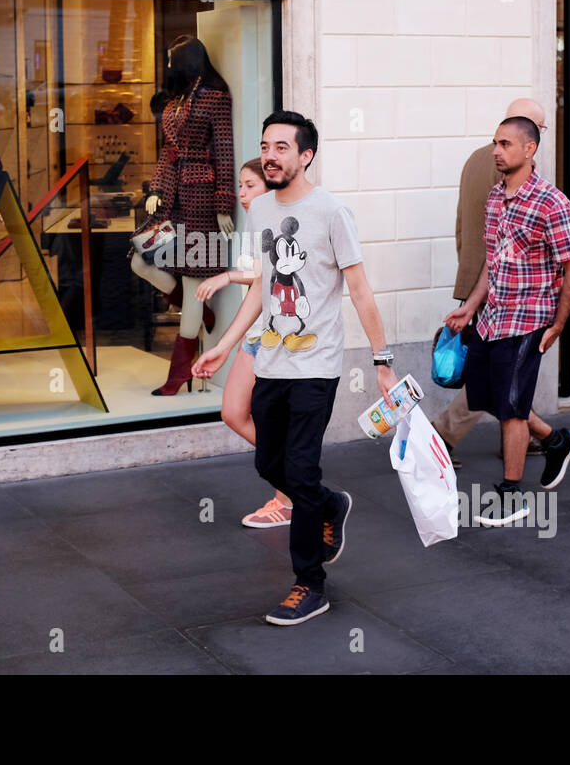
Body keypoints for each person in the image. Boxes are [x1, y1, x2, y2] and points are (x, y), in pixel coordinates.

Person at [192, 111, 397, 625]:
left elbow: (359, 288)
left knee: (300, 470)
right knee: (269, 464)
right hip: (272, 361)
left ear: (305, 156)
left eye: (283, 147)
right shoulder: (261, 209)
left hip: (316, 365)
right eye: (266, 145)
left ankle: (310, 584)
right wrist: (226, 345)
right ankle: (329, 505)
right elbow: (262, 286)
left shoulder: (332, 213)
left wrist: (381, 359)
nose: (271, 155)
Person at [445, 116, 570, 524]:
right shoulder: (494, 197)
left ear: (529, 149)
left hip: (530, 318)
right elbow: (495, 259)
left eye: (505, 144)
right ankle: (557, 441)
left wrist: (558, 323)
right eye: (495, 143)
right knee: (488, 396)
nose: (496, 151)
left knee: (510, 409)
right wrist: (471, 307)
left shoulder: (552, 203)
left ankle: (512, 496)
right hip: (492, 317)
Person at [434, 98, 552, 466]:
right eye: (540, 130)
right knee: (492, 371)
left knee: (507, 366)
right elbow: (511, 235)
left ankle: (519, 436)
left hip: (475, 272)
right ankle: (442, 435)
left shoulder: (474, 158)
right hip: (501, 282)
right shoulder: (516, 167)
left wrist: (466, 273)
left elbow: (460, 221)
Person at [132, 36, 236, 396]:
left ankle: (180, 373)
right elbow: (168, 152)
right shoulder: (177, 99)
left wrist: (224, 203)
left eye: (172, 59)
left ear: (187, 61)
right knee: (141, 262)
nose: (168, 66)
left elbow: (224, 150)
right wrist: (156, 190)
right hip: (173, 198)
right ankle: (203, 315)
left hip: (203, 201)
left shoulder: (215, 97)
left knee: (194, 283)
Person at [194, 159, 295, 528]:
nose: (241, 193)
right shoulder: (255, 223)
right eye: (240, 185)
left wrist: (225, 277)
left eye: (249, 186)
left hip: (272, 341)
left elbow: (261, 276)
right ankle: (294, 483)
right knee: (233, 413)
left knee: (266, 420)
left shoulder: (276, 224)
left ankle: (288, 497)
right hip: (253, 337)